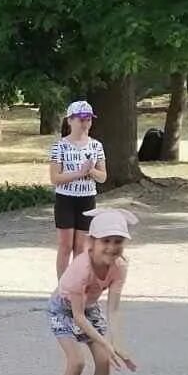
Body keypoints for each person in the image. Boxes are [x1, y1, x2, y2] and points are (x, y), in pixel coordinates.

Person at [49, 207, 138, 375]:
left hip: (89, 309)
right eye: (106, 241)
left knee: (103, 361)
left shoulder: (119, 267)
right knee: (76, 361)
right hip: (65, 309)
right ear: (92, 242)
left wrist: (117, 343)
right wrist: (106, 344)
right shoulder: (80, 269)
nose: (112, 247)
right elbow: (77, 317)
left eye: (118, 241)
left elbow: (114, 309)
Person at [48, 100, 107, 278]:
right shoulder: (60, 146)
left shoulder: (96, 146)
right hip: (66, 199)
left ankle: (77, 285)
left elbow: (103, 176)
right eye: (81, 119)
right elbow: (55, 178)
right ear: (70, 120)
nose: (85, 123)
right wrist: (79, 173)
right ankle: (62, 288)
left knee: (81, 247)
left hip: (87, 199)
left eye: (88, 119)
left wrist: (91, 171)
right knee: (65, 245)